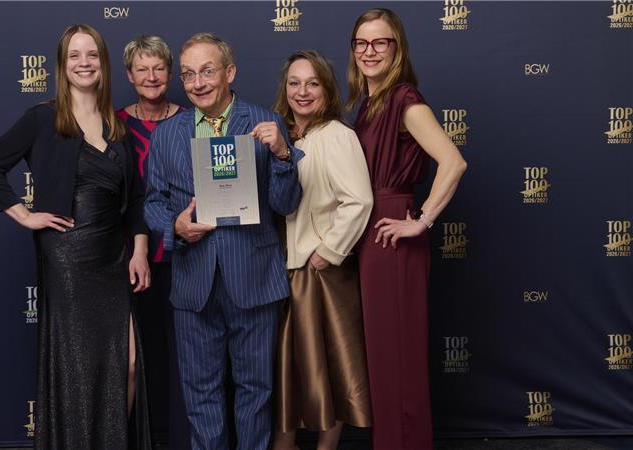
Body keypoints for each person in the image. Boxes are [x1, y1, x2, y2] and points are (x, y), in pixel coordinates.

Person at [0, 24, 152, 450]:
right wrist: (25, 215)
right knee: (78, 368)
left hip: (114, 256)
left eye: (92, 54)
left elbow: (138, 198)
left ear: (104, 64)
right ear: (62, 65)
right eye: (74, 55)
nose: (84, 63)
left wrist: (140, 249)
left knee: (125, 365)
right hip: (68, 259)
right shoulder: (44, 118)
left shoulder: (118, 125)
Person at [144, 32, 303, 450]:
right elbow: (153, 202)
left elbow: (285, 204)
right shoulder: (165, 135)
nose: (198, 83)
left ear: (229, 72)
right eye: (189, 74)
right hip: (194, 280)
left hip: (252, 276)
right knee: (201, 395)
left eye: (208, 71)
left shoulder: (264, 123)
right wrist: (174, 228)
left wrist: (284, 155)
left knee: (256, 391)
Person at [346, 8, 468, 450]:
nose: (369, 51)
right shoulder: (369, 102)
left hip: (390, 234)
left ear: (397, 48)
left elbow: (453, 162)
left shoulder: (404, 99)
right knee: (384, 358)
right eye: (361, 42)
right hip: (370, 232)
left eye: (380, 42)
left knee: (397, 358)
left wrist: (420, 221)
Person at [272, 50, 374, 450]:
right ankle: (286, 443)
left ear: (327, 89)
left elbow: (360, 201)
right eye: (294, 82)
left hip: (320, 273)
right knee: (291, 367)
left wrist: (328, 251)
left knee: (329, 366)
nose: (302, 91)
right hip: (286, 270)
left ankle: (326, 448)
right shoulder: (282, 133)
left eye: (313, 83)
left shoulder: (337, 135)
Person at [116, 35, 191, 450]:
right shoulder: (114, 124)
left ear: (169, 72)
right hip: (130, 258)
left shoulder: (191, 120)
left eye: (159, 68)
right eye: (141, 69)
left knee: (188, 359)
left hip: (185, 252)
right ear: (129, 75)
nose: (151, 76)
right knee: (131, 361)